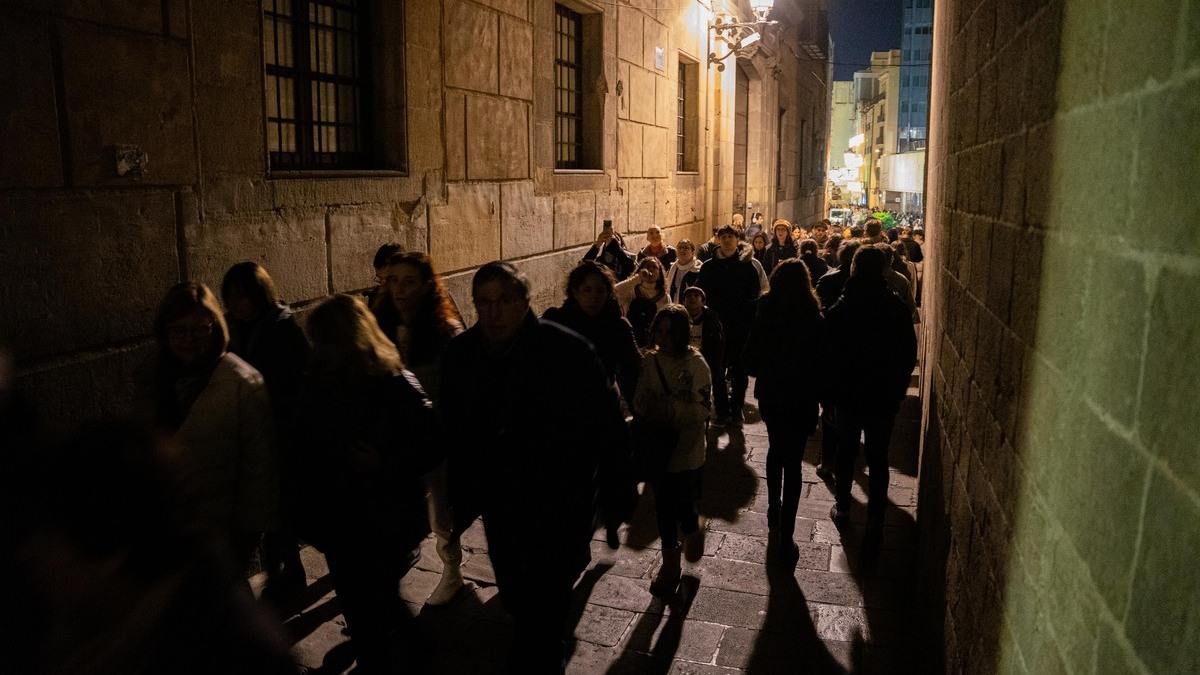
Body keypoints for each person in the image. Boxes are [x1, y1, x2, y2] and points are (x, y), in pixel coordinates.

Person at [440, 261, 632, 672]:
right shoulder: (463, 355)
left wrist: (616, 497)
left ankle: (542, 652)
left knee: (546, 603)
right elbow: (456, 430)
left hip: (560, 502)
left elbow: (607, 427)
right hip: (501, 503)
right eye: (483, 303)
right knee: (512, 591)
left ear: (525, 300)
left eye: (504, 301)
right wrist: (460, 495)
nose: (493, 313)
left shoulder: (567, 350)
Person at [0, 421, 297, 675]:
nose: (31, 552)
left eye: (51, 537)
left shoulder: (233, 654)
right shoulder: (53, 626)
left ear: (109, 554)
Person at [293, 294, 443, 672]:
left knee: (378, 603)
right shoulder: (318, 381)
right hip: (340, 519)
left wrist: (384, 461)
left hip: (383, 518)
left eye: (324, 340)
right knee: (363, 604)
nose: (318, 349)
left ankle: (409, 654)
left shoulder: (394, 382)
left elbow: (432, 447)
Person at [150, 282, 278, 569]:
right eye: (178, 330)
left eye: (199, 328)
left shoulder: (241, 381)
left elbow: (260, 467)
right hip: (165, 524)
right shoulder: (152, 375)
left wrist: (246, 535)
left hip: (219, 530)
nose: (189, 339)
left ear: (214, 327)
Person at [370, 251, 467, 606]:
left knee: (441, 511)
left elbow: (460, 391)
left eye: (409, 281)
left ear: (427, 286)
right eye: (393, 280)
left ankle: (452, 570)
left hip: (435, 436)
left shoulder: (445, 331)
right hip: (393, 439)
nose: (399, 289)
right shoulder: (378, 325)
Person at [220, 262, 310, 604]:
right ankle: (278, 573)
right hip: (250, 435)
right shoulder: (232, 328)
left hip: (280, 434)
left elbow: (297, 383)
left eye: (242, 297)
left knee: (280, 510)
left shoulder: (281, 328)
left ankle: (288, 572)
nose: (235, 304)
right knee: (263, 511)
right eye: (230, 298)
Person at [824, 247, 918, 547]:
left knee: (846, 450)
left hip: (848, 395)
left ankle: (843, 507)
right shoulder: (895, 308)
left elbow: (828, 355)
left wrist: (829, 394)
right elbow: (907, 354)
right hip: (882, 397)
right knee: (878, 458)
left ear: (854, 269)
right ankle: (876, 516)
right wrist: (898, 388)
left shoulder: (842, 308)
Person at [744, 260, 824, 563]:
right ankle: (787, 534)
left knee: (776, 448)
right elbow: (821, 361)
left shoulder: (766, 310)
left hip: (774, 393)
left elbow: (751, 356)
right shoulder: (814, 316)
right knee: (793, 462)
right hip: (802, 396)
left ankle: (772, 508)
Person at [634, 305, 712, 595]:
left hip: (688, 451)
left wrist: (668, 408)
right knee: (663, 508)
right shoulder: (650, 361)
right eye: (659, 330)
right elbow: (639, 395)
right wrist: (645, 405)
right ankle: (670, 565)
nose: (664, 338)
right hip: (658, 450)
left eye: (671, 332)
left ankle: (694, 526)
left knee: (684, 506)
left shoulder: (696, 364)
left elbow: (703, 409)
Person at [697, 225, 761, 428]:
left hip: (740, 327)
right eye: (722, 236)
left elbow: (754, 297)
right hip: (715, 327)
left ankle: (737, 407)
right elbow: (701, 294)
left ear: (737, 239)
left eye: (730, 236)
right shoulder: (708, 267)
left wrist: (750, 324)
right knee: (716, 369)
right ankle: (722, 409)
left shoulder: (748, 266)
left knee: (739, 370)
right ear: (718, 239)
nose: (726, 240)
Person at [681, 286, 727, 425]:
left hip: (708, 356)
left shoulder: (711, 318)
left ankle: (722, 412)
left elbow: (718, 342)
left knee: (718, 380)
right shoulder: (679, 317)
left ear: (703, 301)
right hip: (686, 356)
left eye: (696, 295)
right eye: (689, 296)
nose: (692, 298)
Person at [615, 256, 670, 348]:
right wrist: (637, 279)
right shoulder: (631, 290)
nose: (651, 269)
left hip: (654, 342)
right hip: (630, 339)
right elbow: (614, 292)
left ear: (660, 273)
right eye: (647, 266)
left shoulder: (664, 297)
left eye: (654, 267)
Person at [664, 239, 702, 303]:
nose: (682, 250)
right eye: (679, 247)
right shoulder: (672, 268)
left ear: (693, 252)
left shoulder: (698, 270)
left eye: (686, 248)